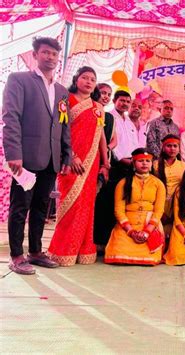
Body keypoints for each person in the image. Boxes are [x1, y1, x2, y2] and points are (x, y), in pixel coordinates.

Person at [2, 37, 71, 274]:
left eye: (54, 54)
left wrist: (65, 155)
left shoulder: (61, 91)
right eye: (45, 53)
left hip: (51, 158)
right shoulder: (19, 80)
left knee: (42, 206)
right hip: (26, 157)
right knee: (20, 206)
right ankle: (16, 255)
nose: (50, 57)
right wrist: (14, 153)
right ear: (35, 54)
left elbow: (64, 124)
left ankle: (35, 251)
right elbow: (10, 118)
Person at [48, 66, 110, 266]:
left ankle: (82, 250)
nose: (89, 82)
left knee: (86, 207)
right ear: (77, 79)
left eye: (93, 79)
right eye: (85, 77)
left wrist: (106, 161)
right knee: (70, 205)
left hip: (92, 163)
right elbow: (59, 129)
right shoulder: (65, 100)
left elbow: (100, 135)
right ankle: (62, 250)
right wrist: (71, 156)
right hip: (70, 161)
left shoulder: (98, 107)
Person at [105, 148, 166, 265]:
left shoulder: (158, 184)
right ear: (133, 163)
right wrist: (131, 232)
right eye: (140, 161)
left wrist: (147, 232)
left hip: (150, 225)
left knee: (150, 258)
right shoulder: (123, 183)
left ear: (151, 164)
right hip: (127, 226)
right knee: (118, 253)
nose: (144, 163)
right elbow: (118, 210)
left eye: (147, 161)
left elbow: (159, 211)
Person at [94, 90, 132, 249]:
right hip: (112, 164)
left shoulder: (127, 121)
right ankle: (99, 241)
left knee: (117, 203)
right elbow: (109, 144)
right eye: (122, 100)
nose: (125, 104)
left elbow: (126, 143)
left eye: (127, 101)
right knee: (104, 203)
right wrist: (115, 158)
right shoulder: (108, 116)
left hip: (128, 166)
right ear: (114, 101)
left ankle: (110, 241)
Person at [153, 134, 185, 235]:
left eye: (175, 146)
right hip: (159, 204)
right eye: (169, 146)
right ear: (163, 148)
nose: (172, 149)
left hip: (177, 205)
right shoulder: (155, 165)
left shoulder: (183, 165)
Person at [97, 83, 117, 153]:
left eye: (109, 95)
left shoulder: (109, 117)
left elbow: (115, 141)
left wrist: (106, 149)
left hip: (104, 154)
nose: (106, 97)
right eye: (103, 93)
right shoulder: (88, 111)